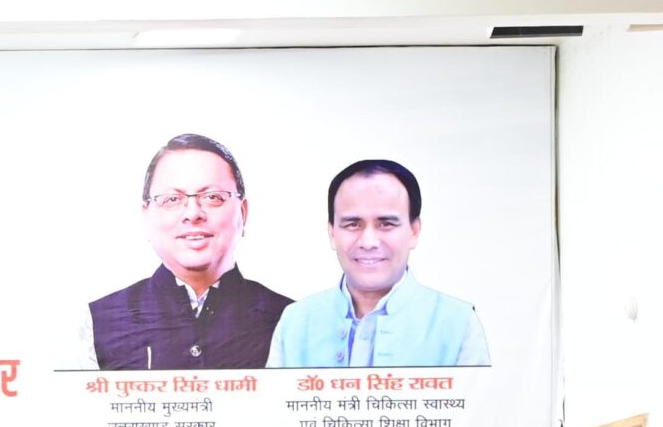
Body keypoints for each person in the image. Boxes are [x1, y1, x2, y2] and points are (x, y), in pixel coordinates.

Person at [82, 132, 291, 369]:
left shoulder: (290, 321)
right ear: (147, 215)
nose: (193, 213)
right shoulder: (97, 323)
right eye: (172, 199)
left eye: (213, 197)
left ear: (243, 213)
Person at [269, 160, 488, 368]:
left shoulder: (459, 323)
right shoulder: (295, 322)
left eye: (386, 224)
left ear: (414, 231)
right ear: (332, 233)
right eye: (352, 224)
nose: (368, 242)